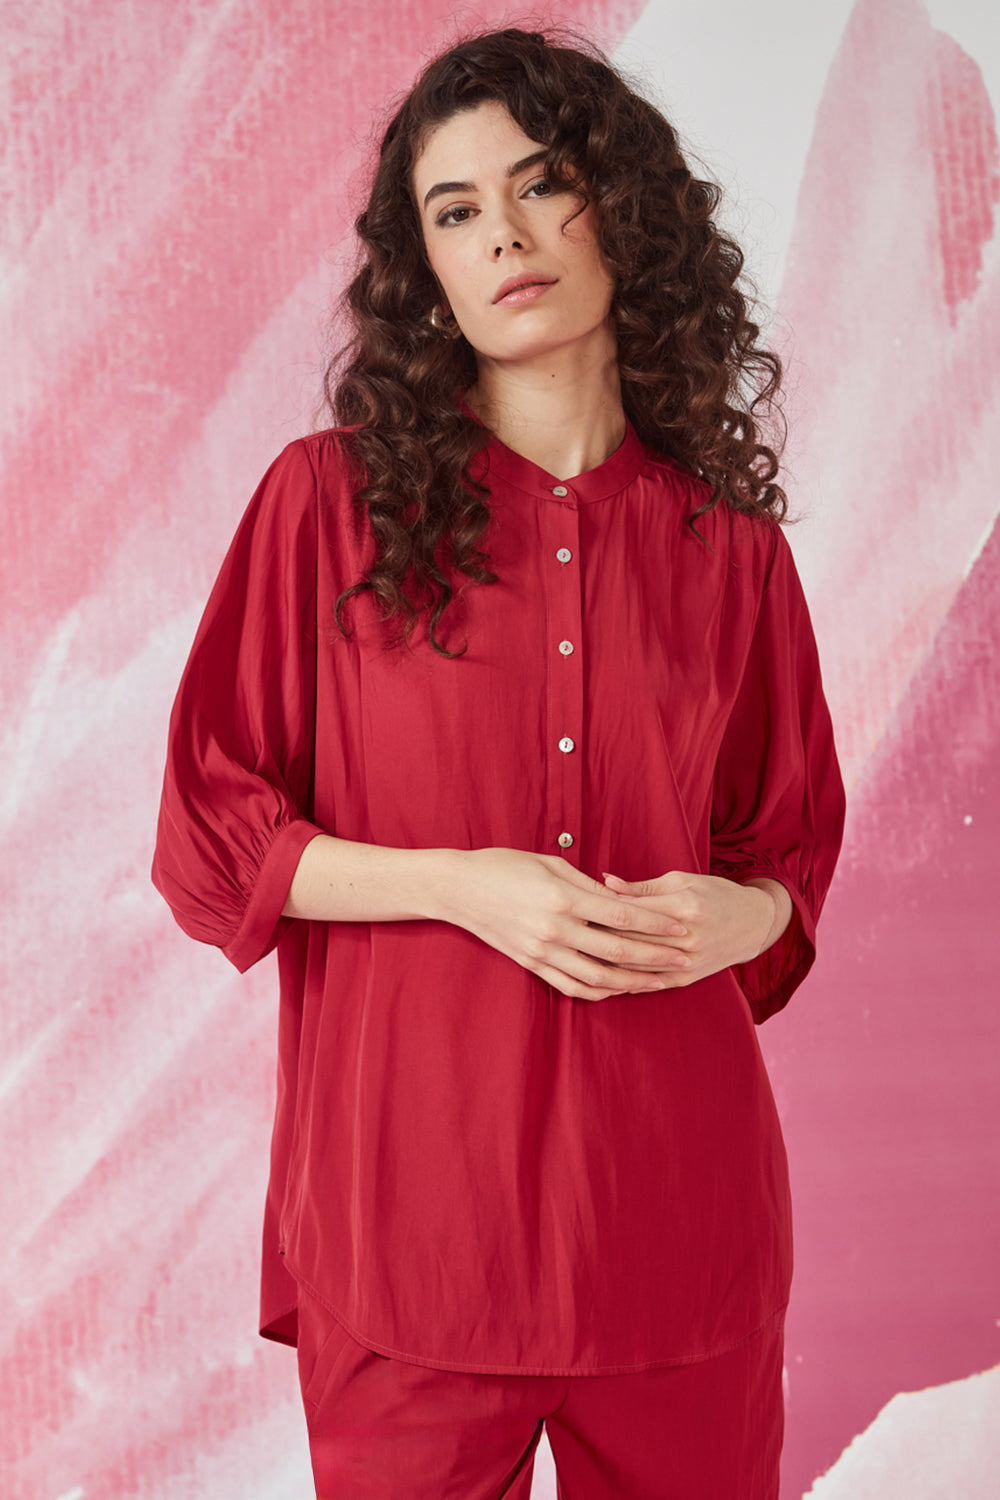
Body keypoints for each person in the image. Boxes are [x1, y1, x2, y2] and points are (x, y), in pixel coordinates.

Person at [152, 26, 845, 1500]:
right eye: (456, 211)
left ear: (623, 208)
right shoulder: (326, 509)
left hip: (681, 1236)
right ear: (427, 267)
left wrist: (742, 916)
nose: (505, 237)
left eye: (542, 185)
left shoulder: (731, 550)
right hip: (409, 1241)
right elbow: (212, 833)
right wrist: (465, 887)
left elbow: (785, 854)